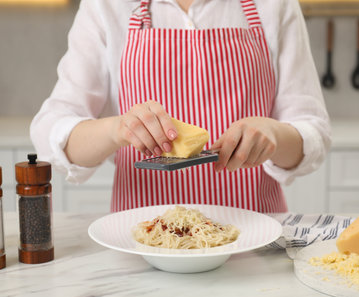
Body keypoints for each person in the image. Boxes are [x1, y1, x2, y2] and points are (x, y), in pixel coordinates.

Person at [30, 0, 331, 213]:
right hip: (143, 239)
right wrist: (116, 129)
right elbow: (52, 130)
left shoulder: (274, 4)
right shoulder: (107, 5)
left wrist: (275, 135)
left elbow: (313, 132)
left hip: (253, 238)